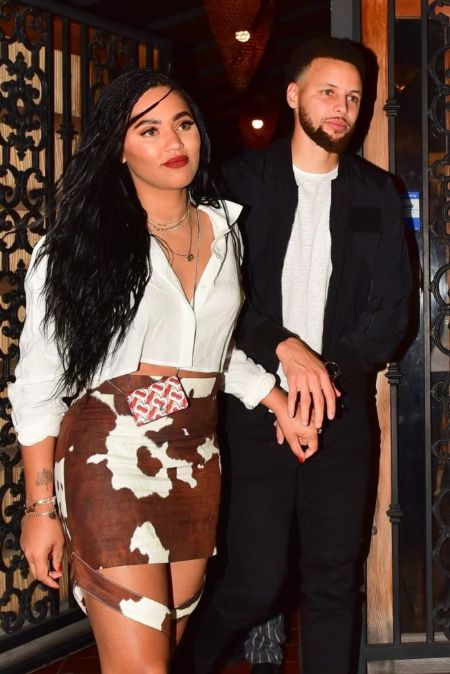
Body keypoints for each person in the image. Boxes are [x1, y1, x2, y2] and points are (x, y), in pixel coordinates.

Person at [9, 71, 320, 674]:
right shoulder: (75, 247)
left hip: (195, 458)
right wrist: (41, 507)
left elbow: (215, 348)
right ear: (117, 147)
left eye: (182, 123)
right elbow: (39, 385)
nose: (173, 141)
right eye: (148, 129)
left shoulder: (223, 230)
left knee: (157, 656)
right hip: (110, 456)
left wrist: (275, 399)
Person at [192, 37, 413, 674]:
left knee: (333, 581)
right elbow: (218, 300)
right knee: (255, 581)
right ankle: (188, 662)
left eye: (353, 98)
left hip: (340, 413)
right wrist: (284, 360)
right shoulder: (236, 184)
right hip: (257, 407)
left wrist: (325, 376)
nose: (342, 108)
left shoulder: (378, 193)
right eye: (328, 92)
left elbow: (392, 313)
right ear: (293, 96)